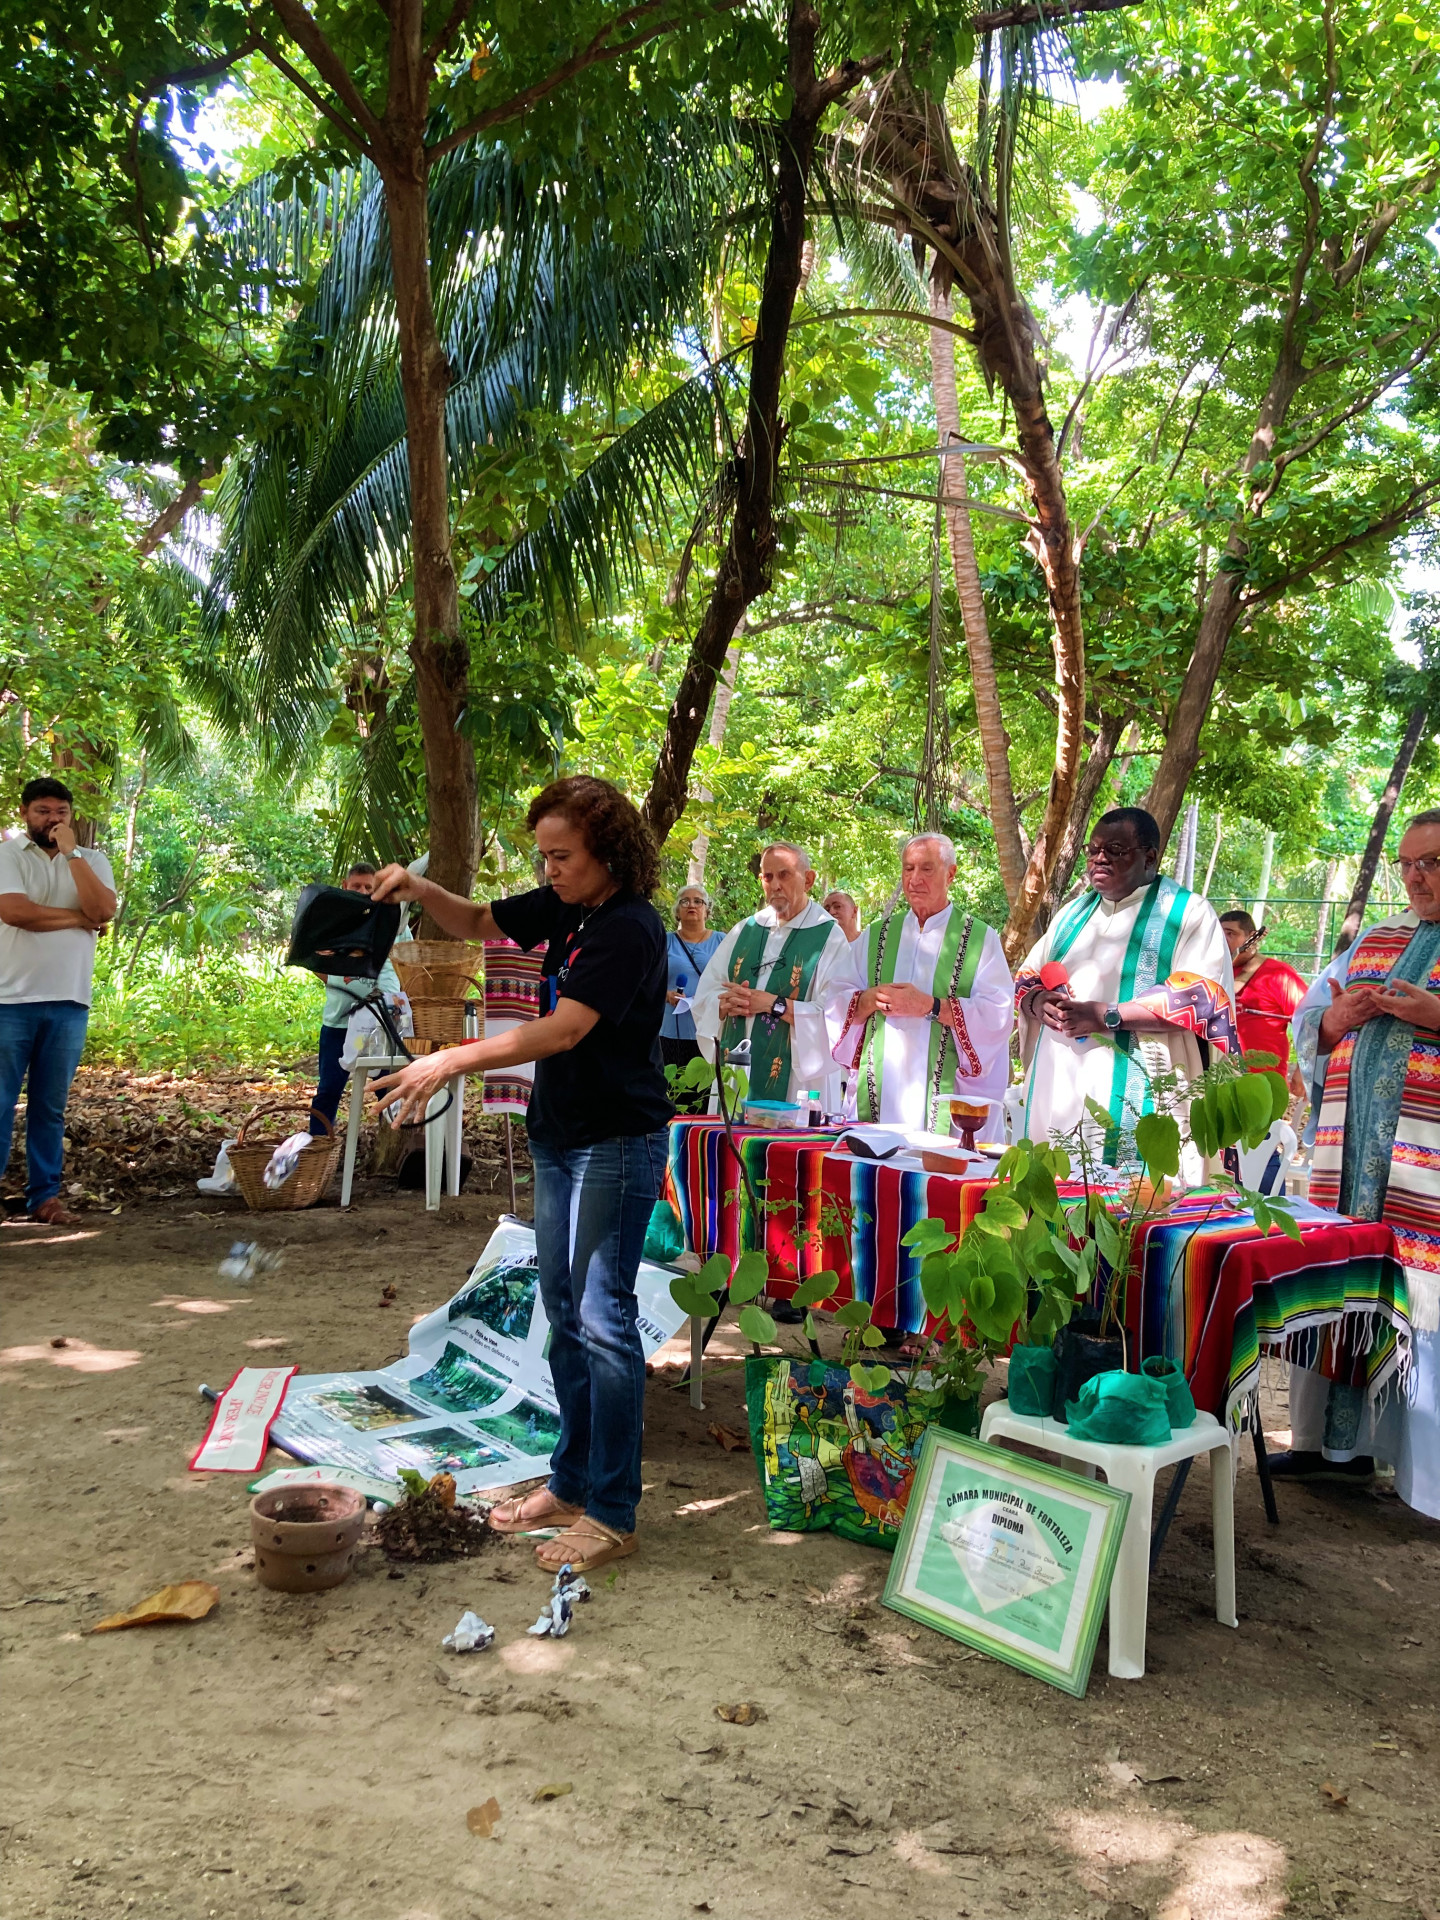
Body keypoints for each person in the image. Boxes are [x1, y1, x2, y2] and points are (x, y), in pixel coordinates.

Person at [368, 776, 671, 1575]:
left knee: (605, 1323)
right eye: (543, 856)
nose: (551, 871)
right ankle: (572, 1484)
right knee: (563, 1312)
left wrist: (449, 1059)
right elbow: (473, 920)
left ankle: (613, 1512)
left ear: (607, 850)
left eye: (563, 856)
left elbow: (567, 1030)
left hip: (614, 1142)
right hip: (561, 1137)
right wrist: (416, 884)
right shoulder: (568, 906)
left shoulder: (632, 927)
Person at [1275, 808, 1440, 1517]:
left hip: (1422, 1172)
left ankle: (1422, 1481)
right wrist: (1334, 1023)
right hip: (1349, 1163)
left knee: (1416, 1298)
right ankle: (1325, 1448)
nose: (1415, 875)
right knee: (1341, 1281)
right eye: (1408, 863)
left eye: (1431, 861)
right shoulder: (1379, 938)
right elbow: (1309, 1020)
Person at [1015, 807, 1236, 1164]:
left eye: (1115, 850)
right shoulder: (1072, 914)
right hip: (1059, 1088)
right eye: (1094, 849)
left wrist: (1107, 1016)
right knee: (1053, 1199)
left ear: (1150, 857)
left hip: (1145, 1089)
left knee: (1132, 1206)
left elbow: (1199, 999)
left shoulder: (1188, 914)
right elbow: (1027, 977)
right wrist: (1039, 1002)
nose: (1099, 858)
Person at [826, 833, 1014, 1135]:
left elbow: (998, 1015)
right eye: (908, 868)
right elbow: (836, 999)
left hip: (948, 1101)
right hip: (880, 1095)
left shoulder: (980, 939)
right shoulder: (876, 936)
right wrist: (868, 1000)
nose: (914, 879)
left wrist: (930, 1006)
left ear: (950, 874)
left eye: (926, 869)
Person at [0, 777, 117, 1225]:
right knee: (1, 1102)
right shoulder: (8, 856)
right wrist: (77, 919)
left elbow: (103, 911)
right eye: (43, 811)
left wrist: (72, 854)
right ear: (25, 812)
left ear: (71, 816)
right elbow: (16, 913)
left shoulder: (91, 861)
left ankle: (44, 1198)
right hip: (10, 1000)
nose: (53, 819)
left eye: (61, 812)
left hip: (69, 1000)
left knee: (50, 1107)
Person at [691, 842, 852, 1113]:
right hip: (736, 1071)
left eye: (784, 874)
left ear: (809, 879)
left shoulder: (830, 938)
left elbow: (836, 1019)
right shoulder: (746, 930)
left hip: (797, 1084)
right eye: (768, 876)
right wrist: (722, 1005)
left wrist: (772, 1004)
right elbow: (706, 993)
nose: (775, 884)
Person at [310, 862, 411, 1133]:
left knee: (386, 1086)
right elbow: (316, 959)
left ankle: (403, 1146)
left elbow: (407, 960)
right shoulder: (334, 922)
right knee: (329, 1089)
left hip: (380, 1023)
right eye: (357, 886)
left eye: (369, 887)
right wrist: (339, 978)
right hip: (340, 1024)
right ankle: (317, 1150)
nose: (363, 891)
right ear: (345, 886)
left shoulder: (391, 921)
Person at [1219, 910, 1307, 1075]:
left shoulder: (1277, 974)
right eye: (1219, 933)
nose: (1223, 940)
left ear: (1251, 937)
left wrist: (1304, 1070)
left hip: (1265, 1082)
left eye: (1230, 933)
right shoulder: (1212, 973)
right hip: (1218, 1080)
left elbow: (1310, 1019)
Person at [660, 885, 724, 1111]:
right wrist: (664, 993)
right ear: (677, 911)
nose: (691, 906)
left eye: (698, 901)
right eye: (685, 901)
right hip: (669, 1030)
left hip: (707, 1032)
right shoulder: (664, 941)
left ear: (707, 910)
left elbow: (730, 981)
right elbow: (645, 982)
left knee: (703, 1099)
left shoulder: (722, 942)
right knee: (670, 1095)